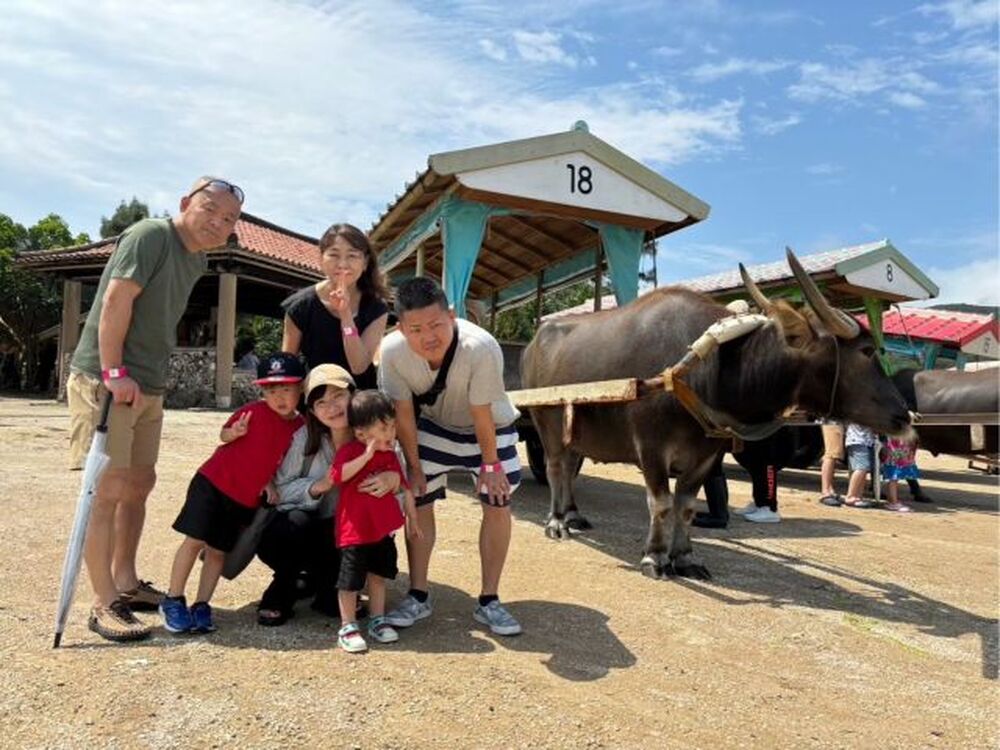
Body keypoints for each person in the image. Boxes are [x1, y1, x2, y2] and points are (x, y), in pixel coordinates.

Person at [66, 176, 243, 642]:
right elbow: (116, 300)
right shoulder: (150, 235)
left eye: (228, 218)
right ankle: (102, 600)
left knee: (139, 483)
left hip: (149, 385)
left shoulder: (197, 258)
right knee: (105, 490)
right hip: (110, 379)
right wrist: (113, 371)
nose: (217, 222)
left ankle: (126, 580)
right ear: (185, 202)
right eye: (210, 209)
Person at [379, 276, 523, 637]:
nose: (428, 337)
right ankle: (418, 594)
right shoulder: (392, 352)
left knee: (497, 500)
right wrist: (413, 468)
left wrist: (490, 464)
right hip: (435, 425)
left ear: (452, 315)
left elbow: (481, 411)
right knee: (418, 498)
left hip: (490, 427)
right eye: (416, 329)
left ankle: (489, 599)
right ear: (401, 329)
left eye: (436, 324)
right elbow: (403, 414)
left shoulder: (481, 347)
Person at [159, 353, 305, 634]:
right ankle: (173, 599)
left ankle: (202, 604)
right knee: (194, 541)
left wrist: (268, 482)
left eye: (286, 389)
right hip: (213, 483)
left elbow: (280, 461)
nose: (279, 397)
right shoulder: (252, 411)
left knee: (218, 551)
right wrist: (234, 432)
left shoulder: (299, 427)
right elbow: (224, 435)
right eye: (271, 391)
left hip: (243, 498)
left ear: (300, 389)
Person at [254, 364, 402, 626]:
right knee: (294, 523)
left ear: (353, 395)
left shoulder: (377, 432)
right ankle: (282, 589)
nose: (331, 408)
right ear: (312, 411)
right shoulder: (305, 438)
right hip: (306, 528)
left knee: (349, 551)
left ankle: (325, 589)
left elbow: (399, 481)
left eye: (338, 396)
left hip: (348, 535)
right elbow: (282, 489)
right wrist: (318, 486)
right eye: (321, 402)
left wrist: (393, 480)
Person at [330, 390, 421, 653]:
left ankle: (377, 619)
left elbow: (405, 489)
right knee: (349, 581)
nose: (391, 433)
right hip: (354, 531)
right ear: (360, 433)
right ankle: (348, 626)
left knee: (378, 576)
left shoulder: (391, 455)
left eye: (392, 426)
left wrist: (413, 520)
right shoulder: (349, 452)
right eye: (383, 428)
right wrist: (365, 457)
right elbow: (338, 476)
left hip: (382, 531)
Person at [281, 223, 389, 389]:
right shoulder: (299, 306)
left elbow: (358, 366)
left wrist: (345, 315)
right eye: (334, 255)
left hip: (360, 396)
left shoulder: (376, 308)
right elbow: (287, 366)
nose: (342, 264)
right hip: (317, 395)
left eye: (352, 256)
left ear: (365, 263)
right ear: (321, 259)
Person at [880, 435, 919, 513]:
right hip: (896, 455)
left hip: (898, 454)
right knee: (893, 479)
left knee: (894, 479)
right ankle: (893, 502)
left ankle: (891, 500)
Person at [842, 422, 876, 508]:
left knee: (863, 469)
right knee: (861, 468)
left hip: (864, 441)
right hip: (858, 440)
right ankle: (850, 496)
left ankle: (858, 497)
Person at [818, 421, 846, 507]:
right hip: (832, 421)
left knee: (833, 455)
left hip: (835, 421)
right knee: (831, 454)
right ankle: (826, 492)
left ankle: (829, 490)